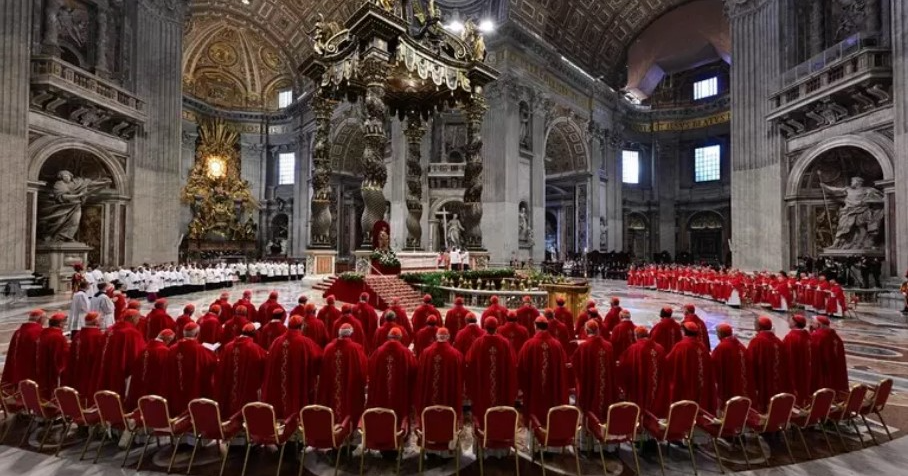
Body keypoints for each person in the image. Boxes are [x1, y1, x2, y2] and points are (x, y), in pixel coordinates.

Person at [261, 315, 322, 419]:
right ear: (301, 326)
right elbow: (317, 358)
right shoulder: (305, 342)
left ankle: (278, 417)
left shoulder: (277, 341)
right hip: (296, 379)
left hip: (278, 380)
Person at [517, 316, 569, 421]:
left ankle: (534, 428)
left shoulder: (529, 344)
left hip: (534, 390)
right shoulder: (557, 345)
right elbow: (562, 367)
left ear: (535, 327)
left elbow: (521, 367)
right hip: (552, 389)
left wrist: (522, 387)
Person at [465, 317, 517, 421]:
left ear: (484, 326)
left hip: (483, 383)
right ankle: (499, 423)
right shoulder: (505, 342)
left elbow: (468, 361)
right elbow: (512, 362)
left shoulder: (478, 343)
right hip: (500, 384)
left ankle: (482, 424)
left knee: (483, 402)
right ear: (497, 327)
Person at [317, 324, 368, 428]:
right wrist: (363, 382)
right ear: (351, 334)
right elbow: (363, 368)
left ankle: (330, 424)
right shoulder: (356, 348)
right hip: (348, 386)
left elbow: (323, 370)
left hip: (331, 387)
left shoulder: (328, 348)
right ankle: (348, 427)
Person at [216, 323, 267, 417]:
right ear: (253, 334)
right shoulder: (255, 348)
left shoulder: (228, 347)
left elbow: (221, 366)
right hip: (246, 385)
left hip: (229, 383)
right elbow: (263, 364)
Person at [367, 327, 417, 423]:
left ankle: (380, 421)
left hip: (382, 390)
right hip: (399, 391)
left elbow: (371, 367)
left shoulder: (379, 351)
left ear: (388, 337)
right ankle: (400, 424)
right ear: (400, 337)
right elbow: (414, 369)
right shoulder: (406, 352)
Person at [665, 321, 717, 413]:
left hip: (686, 380)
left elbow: (668, 362)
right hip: (700, 381)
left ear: (684, 332)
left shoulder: (681, 345)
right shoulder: (702, 346)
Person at [166, 322, 218, 413]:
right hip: (193, 391)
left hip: (175, 391)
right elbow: (212, 364)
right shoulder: (200, 350)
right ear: (197, 334)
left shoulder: (172, 349)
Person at [415, 328, 464, 421]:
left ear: (436, 337)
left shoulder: (426, 353)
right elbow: (460, 375)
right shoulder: (456, 354)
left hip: (430, 391)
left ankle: (428, 419)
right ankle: (448, 421)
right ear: (448, 337)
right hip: (448, 390)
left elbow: (421, 373)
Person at [571, 320, 616, 421]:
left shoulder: (584, 346)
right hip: (606, 384)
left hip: (591, 382)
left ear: (586, 331)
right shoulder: (608, 345)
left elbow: (575, 363)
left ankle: (589, 426)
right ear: (598, 331)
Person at [618, 326, 667, 416]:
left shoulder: (634, 348)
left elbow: (624, 366)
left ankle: (640, 416)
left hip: (642, 382)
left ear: (636, 336)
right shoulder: (660, 348)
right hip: (656, 384)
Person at [95, 309, 146, 397]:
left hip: (108, 365)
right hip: (122, 369)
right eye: (138, 318)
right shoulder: (131, 332)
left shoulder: (111, 329)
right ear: (132, 318)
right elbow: (138, 353)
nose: (138, 321)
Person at [747, 316, 790, 412]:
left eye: (755, 324)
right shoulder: (778, 341)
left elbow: (750, 360)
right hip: (777, 377)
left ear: (759, 327)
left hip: (763, 376)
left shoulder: (757, 341)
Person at [126, 329, 175, 410]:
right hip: (154, 386)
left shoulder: (144, 347)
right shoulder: (164, 351)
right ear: (167, 339)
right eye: (170, 341)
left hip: (139, 384)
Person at [63, 312, 104, 403]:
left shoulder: (78, 335)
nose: (102, 320)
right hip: (89, 369)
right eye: (100, 319)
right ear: (96, 322)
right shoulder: (97, 336)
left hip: (77, 367)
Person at [1, 309, 46, 390]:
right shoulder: (40, 332)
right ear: (40, 319)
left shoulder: (18, 332)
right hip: (31, 368)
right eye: (45, 318)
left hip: (17, 366)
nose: (45, 321)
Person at [711, 323, 750, 405]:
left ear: (721, 334)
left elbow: (713, 364)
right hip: (741, 381)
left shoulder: (722, 347)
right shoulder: (740, 345)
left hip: (729, 381)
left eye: (717, 333)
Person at [810, 315, 849, 394]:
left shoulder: (818, 335)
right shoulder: (834, 335)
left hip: (823, 368)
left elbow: (812, 352)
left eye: (813, 323)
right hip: (835, 365)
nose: (811, 324)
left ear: (819, 325)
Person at [35, 313, 69, 399]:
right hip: (52, 370)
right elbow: (61, 356)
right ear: (60, 324)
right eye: (64, 322)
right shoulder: (57, 337)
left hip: (42, 365)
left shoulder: (44, 334)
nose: (65, 325)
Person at [783, 314, 813, 406]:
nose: (789, 321)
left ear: (795, 323)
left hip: (793, 368)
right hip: (806, 367)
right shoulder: (807, 335)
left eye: (791, 320)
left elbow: (784, 352)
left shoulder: (791, 337)